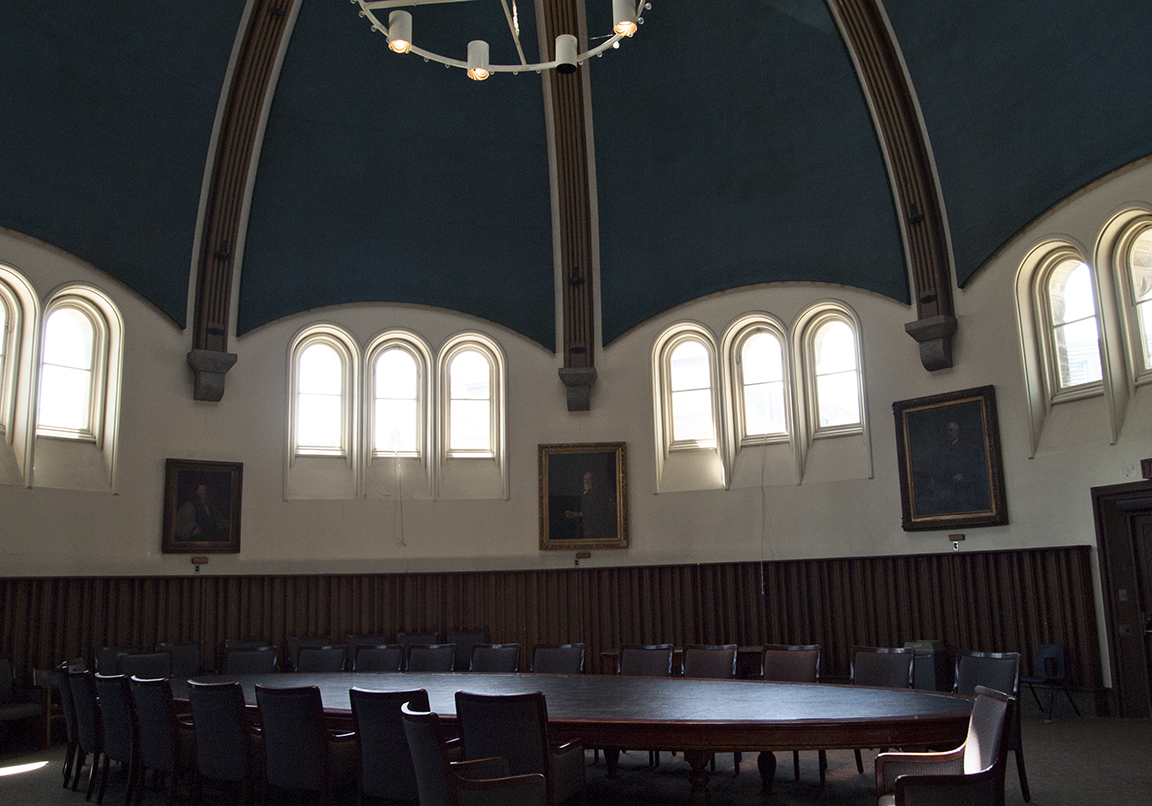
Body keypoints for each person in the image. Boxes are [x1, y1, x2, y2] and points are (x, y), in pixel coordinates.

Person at [922, 421, 989, 514]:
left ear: (957, 432)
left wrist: (964, 475)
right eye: (947, 431)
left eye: (951, 430)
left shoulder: (967, 447)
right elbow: (939, 466)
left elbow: (975, 467)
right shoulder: (943, 448)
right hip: (946, 483)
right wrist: (933, 478)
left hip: (963, 485)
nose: (949, 433)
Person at [564, 471, 616, 541]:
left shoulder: (597, 494)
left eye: (589, 479)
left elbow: (597, 511)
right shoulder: (584, 493)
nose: (587, 481)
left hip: (595, 529)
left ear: (593, 480)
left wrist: (577, 514)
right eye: (585, 479)